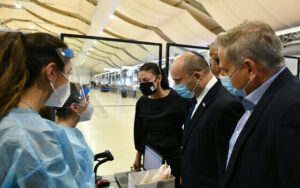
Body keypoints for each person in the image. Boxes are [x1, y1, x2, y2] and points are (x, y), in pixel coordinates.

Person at [216, 20, 300, 188]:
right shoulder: (256, 102)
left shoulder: (292, 108)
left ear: (250, 69)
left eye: (226, 70)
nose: (222, 76)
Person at [0, 32, 84, 187]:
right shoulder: (32, 136)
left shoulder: (9, 117)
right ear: (51, 72)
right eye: (67, 73)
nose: (68, 80)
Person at [171, 52, 243, 188]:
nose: (175, 86)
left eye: (178, 80)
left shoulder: (225, 105)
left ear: (197, 76)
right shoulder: (196, 98)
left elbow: (226, 163)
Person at [133, 63, 190, 187]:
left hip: (173, 157)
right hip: (151, 156)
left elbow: (191, 126)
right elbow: (140, 132)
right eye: (140, 81)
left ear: (158, 79)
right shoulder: (142, 102)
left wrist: (186, 148)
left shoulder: (179, 99)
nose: (142, 84)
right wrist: (138, 157)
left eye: (146, 80)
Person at [55, 83, 95, 187]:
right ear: (75, 107)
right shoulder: (71, 144)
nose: (89, 104)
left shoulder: (70, 132)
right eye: (87, 99)